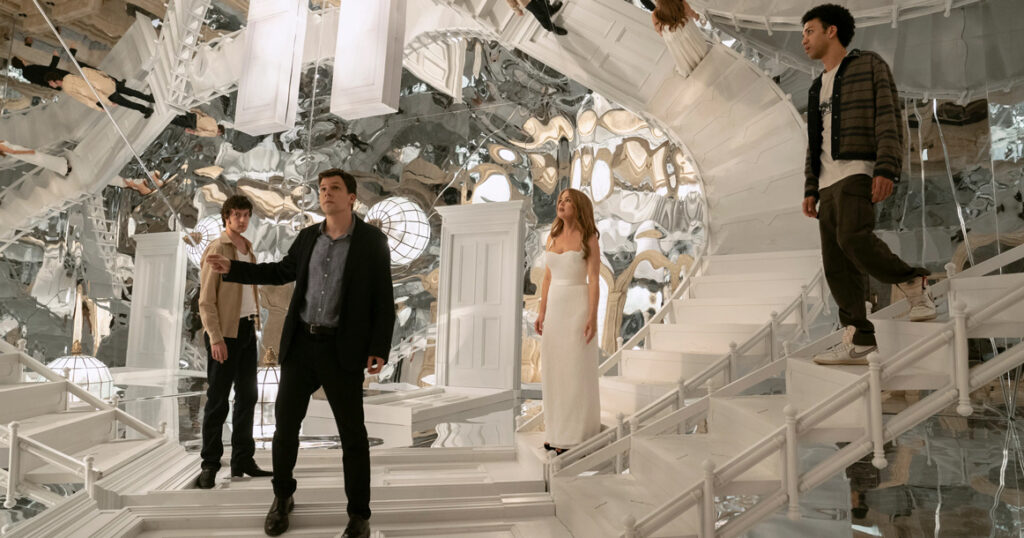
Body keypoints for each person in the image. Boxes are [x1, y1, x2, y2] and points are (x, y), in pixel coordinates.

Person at [205, 168, 395, 538]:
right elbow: (280, 272)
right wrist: (234, 269)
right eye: (322, 189)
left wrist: (379, 347)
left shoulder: (372, 241)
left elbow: (382, 299)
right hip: (301, 347)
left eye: (334, 188)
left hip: (342, 350)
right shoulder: (308, 237)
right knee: (285, 429)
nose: (326, 193)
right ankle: (282, 498)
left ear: (351, 197)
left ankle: (359, 515)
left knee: (353, 436)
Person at [799, 4, 936, 366]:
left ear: (831, 31)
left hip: (857, 170)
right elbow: (814, 143)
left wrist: (887, 169)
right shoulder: (815, 88)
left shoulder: (869, 65)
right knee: (835, 263)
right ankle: (859, 337)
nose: (804, 40)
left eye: (809, 31)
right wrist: (810, 188)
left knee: (852, 237)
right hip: (826, 183)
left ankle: (913, 281)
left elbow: (888, 117)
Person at [196, 194, 273, 488]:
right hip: (224, 333)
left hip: (247, 330)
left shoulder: (247, 248)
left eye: (246, 215)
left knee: (247, 397)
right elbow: (206, 301)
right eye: (236, 215)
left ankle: (243, 460)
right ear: (226, 217)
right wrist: (215, 338)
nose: (242, 220)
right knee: (218, 400)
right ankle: (210, 464)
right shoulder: (218, 248)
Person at [534, 188, 601, 455]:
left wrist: (592, 316)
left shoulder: (589, 238)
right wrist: (542, 312)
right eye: (560, 200)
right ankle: (556, 432)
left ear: (579, 206)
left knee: (574, 369)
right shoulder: (552, 237)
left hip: (577, 306)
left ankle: (576, 435)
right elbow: (548, 278)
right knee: (555, 369)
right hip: (555, 310)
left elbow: (594, 279)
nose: (561, 204)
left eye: (567, 200)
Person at [42, 67, 154, 118]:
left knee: (128, 103)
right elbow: (99, 73)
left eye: (50, 83)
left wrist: (100, 107)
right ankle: (149, 98)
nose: (50, 85)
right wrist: (109, 78)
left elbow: (85, 98)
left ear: (53, 81)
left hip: (106, 93)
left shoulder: (67, 89)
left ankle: (146, 110)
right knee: (131, 92)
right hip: (108, 84)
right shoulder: (69, 76)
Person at [652, 0, 707, 77]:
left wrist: (662, 31)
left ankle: (689, 65)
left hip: (673, 38)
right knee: (686, 28)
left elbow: (658, 29)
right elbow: (690, 12)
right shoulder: (678, 1)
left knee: (678, 46)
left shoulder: (655, 13)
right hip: (686, 30)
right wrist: (697, 16)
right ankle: (700, 55)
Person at [0, 139, 70, 176]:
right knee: (42, 159)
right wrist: (27, 151)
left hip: (21, 151)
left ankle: (62, 166)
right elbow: (13, 151)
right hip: (22, 153)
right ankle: (63, 167)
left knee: (42, 158)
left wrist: (23, 148)